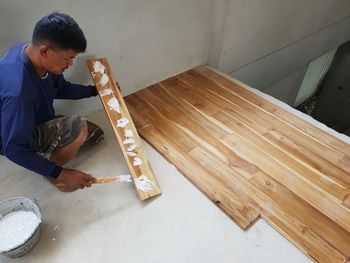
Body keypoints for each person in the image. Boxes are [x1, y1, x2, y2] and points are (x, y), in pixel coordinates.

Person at [0, 12, 104, 192]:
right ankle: (51, 176)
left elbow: (61, 88)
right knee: (79, 127)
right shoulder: (18, 93)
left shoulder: (33, 55)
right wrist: (60, 173)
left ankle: (53, 157)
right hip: (11, 135)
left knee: (97, 135)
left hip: (30, 119)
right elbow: (14, 149)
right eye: (68, 58)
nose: (70, 64)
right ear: (45, 51)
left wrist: (95, 91)